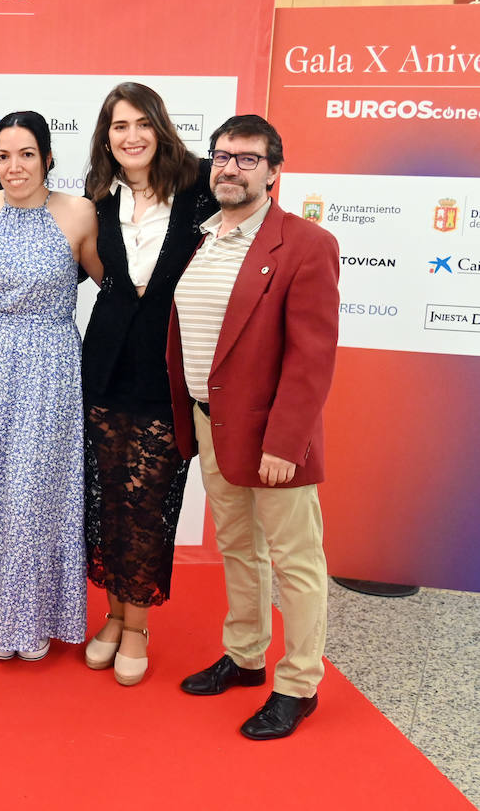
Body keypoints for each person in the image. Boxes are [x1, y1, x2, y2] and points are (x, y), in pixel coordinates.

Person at [168, 114, 339, 740]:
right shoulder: (205, 236)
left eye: (246, 158)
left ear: (273, 170)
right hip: (210, 425)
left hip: (273, 440)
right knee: (238, 548)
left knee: (296, 559)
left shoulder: (305, 244)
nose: (230, 168)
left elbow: (311, 358)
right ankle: (244, 657)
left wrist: (285, 444)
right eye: (221, 156)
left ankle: (298, 684)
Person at [0, 111, 102, 661]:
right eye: (4, 156)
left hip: (52, 366)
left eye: (27, 154)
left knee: (37, 491)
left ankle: (34, 617)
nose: (15, 167)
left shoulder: (79, 213)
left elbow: (113, 287)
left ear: (49, 157)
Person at [80, 83, 218, 685]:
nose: (130, 136)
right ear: (105, 138)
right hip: (106, 366)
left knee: (150, 501)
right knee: (107, 497)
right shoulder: (98, 201)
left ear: (160, 127)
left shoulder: (200, 188)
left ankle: (137, 625)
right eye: (117, 126)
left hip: (168, 368)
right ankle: (111, 616)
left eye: (140, 123)